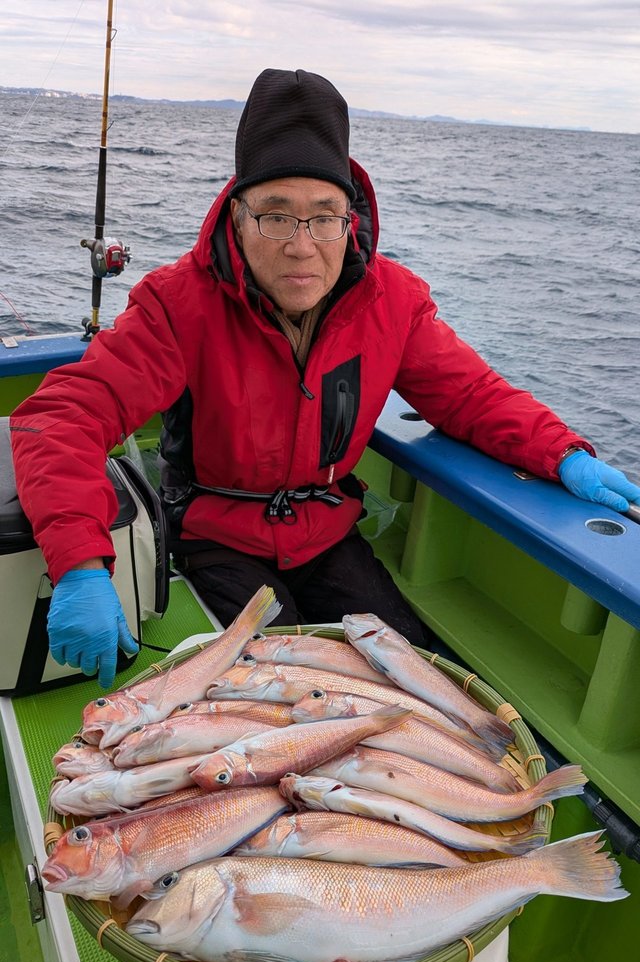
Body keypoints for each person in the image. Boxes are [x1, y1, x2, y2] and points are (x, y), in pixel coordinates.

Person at [10, 68, 640, 690]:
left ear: (351, 220)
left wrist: (561, 453)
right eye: (275, 216)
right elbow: (63, 416)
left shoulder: (391, 300)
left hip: (329, 529)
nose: (301, 244)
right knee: (272, 688)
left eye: (324, 216)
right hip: (216, 535)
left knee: (411, 677)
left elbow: (470, 395)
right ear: (237, 215)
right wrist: (80, 565)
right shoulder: (180, 303)